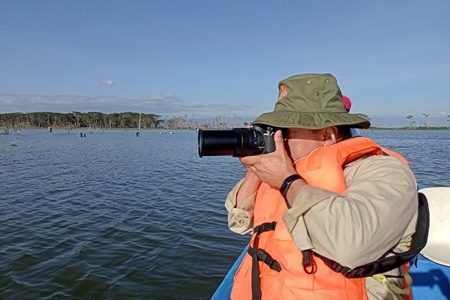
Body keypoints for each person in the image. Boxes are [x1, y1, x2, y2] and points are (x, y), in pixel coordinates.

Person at [225, 73, 422, 300]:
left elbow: (352, 245)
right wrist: (255, 169)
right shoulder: (291, 167)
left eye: (285, 131)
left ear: (327, 133)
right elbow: (239, 221)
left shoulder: (384, 172)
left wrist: (286, 181)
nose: (278, 139)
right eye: (273, 131)